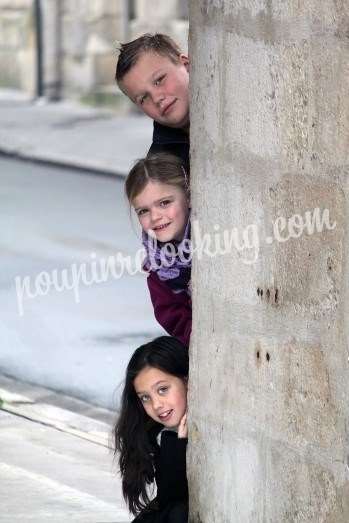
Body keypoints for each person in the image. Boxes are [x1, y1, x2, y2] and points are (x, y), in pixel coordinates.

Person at [114, 336, 189, 523]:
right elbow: (170, 496)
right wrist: (176, 440)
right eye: (145, 397)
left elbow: (176, 499)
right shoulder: (155, 434)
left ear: (187, 380)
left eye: (163, 389)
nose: (156, 405)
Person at [126, 152, 192, 347]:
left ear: (188, 197)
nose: (155, 217)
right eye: (143, 211)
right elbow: (178, 324)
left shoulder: (216, 238)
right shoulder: (159, 274)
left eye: (164, 203)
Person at [115, 33, 190, 168]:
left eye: (159, 80)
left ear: (186, 65)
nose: (156, 98)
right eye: (143, 98)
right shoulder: (159, 172)